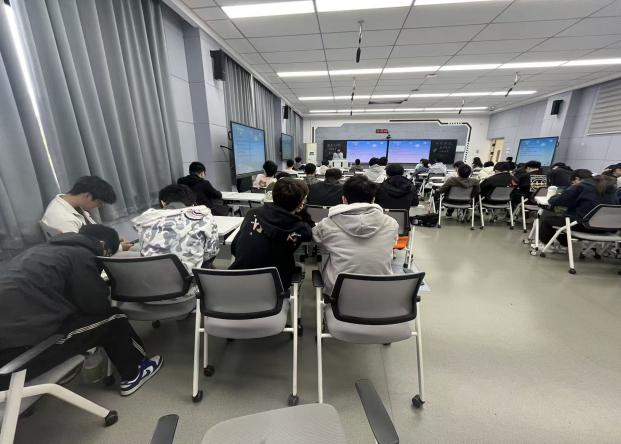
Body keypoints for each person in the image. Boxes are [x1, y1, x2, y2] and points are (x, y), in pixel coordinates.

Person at [0, 225, 161, 395]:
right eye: (107, 254)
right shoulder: (80, 255)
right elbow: (97, 305)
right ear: (102, 245)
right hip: (12, 360)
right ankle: (136, 371)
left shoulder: (40, 251)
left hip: (12, 337)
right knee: (113, 319)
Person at [312, 175, 399, 297]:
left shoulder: (327, 224)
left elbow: (315, 238)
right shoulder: (391, 223)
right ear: (373, 199)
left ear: (344, 199)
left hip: (339, 293)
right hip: (381, 291)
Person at [229, 178, 313, 289]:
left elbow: (234, 248)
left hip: (235, 282)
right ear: (301, 205)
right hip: (273, 287)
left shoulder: (252, 214)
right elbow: (309, 231)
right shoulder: (300, 228)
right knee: (300, 267)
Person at [132, 184, 219, 271]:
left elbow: (144, 248)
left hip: (151, 275)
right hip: (189, 277)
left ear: (163, 203)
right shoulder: (205, 217)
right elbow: (212, 251)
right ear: (193, 204)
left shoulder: (146, 220)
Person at [539, 172, 618, 247]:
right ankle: (564, 246)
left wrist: (555, 196)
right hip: (607, 229)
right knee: (566, 220)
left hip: (584, 226)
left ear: (577, 179)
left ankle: (548, 245)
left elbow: (556, 201)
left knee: (548, 220)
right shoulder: (613, 192)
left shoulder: (582, 186)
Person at [42, 175, 115, 232]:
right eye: (99, 203)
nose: (98, 207)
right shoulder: (64, 219)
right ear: (88, 196)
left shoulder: (71, 204)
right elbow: (76, 246)